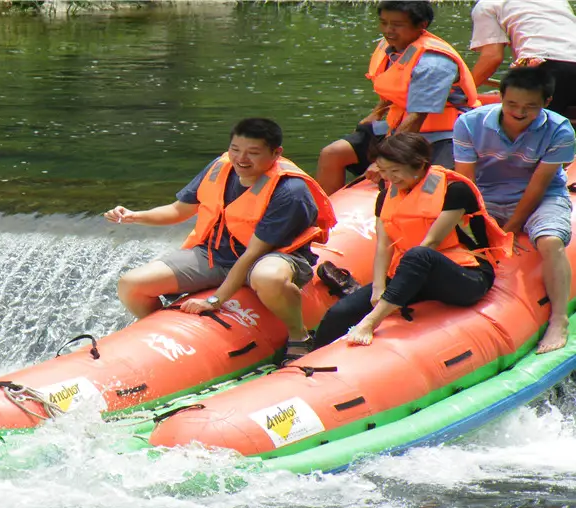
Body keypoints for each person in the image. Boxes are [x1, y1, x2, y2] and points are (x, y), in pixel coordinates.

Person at [104, 118, 336, 362]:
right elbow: (178, 210)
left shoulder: (289, 191)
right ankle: (164, 336)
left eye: (253, 152)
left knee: (267, 277)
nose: (241, 159)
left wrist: (216, 300)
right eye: (235, 149)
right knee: (131, 285)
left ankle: (299, 336)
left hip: (268, 258)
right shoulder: (220, 167)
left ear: (276, 153)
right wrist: (133, 216)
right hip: (215, 254)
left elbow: (253, 254)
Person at [314, 132, 512, 348]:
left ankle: (370, 322)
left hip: (465, 274)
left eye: (395, 171)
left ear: (419, 166)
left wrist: (388, 299)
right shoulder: (386, 196)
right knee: (340, 312)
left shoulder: (455, 191)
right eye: (384, 171)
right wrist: (379, 287)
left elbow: (431, 244)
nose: (389, 178)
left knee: (419, 254)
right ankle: (306, 361)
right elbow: (383, 245)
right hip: (410, 275)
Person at [454, 66, 576, 354]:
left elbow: (538, 186)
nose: (519, 112)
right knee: (449, 238)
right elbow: (465, 182)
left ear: (546, 102)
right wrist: (475, 221)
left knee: (551, 241)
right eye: (512, 104)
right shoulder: (470, 123)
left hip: (542, 196)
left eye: (529, 107)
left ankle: (558, 319)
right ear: (500, 97)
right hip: (486, 196)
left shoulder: (560, 130)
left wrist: (507, 231)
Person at [316, 0, 480, 195]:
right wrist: (375, 114)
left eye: (397, 24)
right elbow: (392, 89)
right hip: (397, 125)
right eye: (384, 22)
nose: (388, 30)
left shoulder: (433, 62)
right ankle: (324, 219)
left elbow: (417, 117)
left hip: (443, 134)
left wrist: (385, 161)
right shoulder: (390, 47)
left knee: (427, 183)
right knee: (332, 153)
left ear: (421, 26)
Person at [468, 0, 576, 118]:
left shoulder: (487, 5)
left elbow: (492, 57)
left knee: (528, 129)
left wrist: (463, 91)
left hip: (547, 67)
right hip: (561, 64)